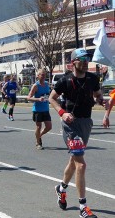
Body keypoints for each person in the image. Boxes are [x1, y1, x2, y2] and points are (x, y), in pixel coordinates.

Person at [49, 48, 109, 218]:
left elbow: (97, 94)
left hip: (86, 123)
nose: (85, 61)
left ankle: (61, 188)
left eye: (87, 58)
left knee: (74, 160)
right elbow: (51, 98)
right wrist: (62, 113)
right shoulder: (65, 80)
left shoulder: (92, 78)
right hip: (71, 124)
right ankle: (83, 207)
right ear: (73, 62)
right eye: (81, 59)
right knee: (81, 164)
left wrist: (101, 100)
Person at [27, 68, 52, 150]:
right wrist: (38, 99)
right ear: (38, 76)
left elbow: (48, 95)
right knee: (39, 126)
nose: (44, 76)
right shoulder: (36, 86)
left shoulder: (46, 84)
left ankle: (39, 136)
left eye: (45, 75)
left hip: (46, 109)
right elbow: (28, 98)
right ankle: (38, 143)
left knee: (49, 127)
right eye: (42, 74)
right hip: (37, 110)